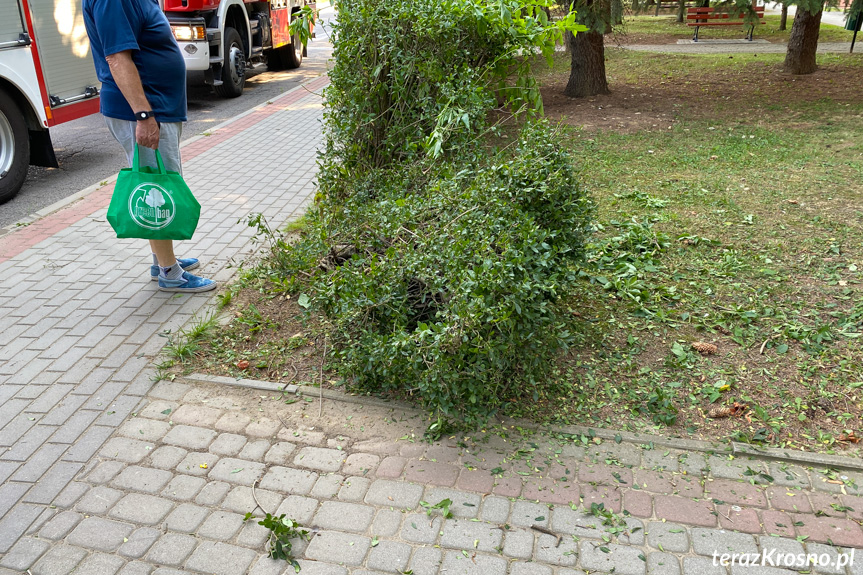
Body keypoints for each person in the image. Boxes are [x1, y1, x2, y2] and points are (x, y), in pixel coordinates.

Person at [83, 0, 216, 293]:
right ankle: (170, 273)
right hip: (143, 110)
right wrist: (144, 115)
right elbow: (117, 58)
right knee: (155, 188)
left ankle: (162, 260)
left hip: (156, 106)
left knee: (156, 182)